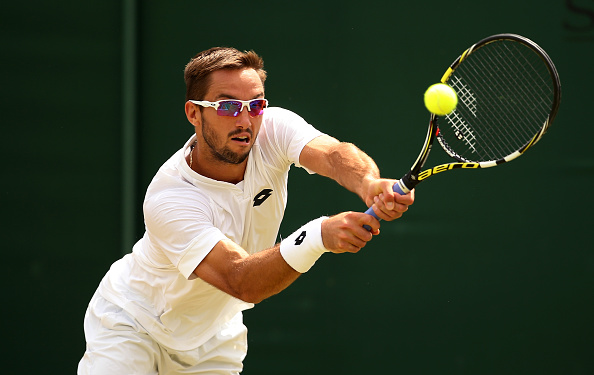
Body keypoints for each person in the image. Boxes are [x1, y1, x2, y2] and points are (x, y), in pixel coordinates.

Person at [78, 47, 414, 374]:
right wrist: (318, 236)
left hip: (214, 336)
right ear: (194, 113)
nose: (244, 119)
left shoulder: (272, 128)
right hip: (133, 322)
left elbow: (332, 154)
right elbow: (240, 279)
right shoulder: (170, 197)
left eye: (255, 105)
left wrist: (368, 183)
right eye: (227, 106)